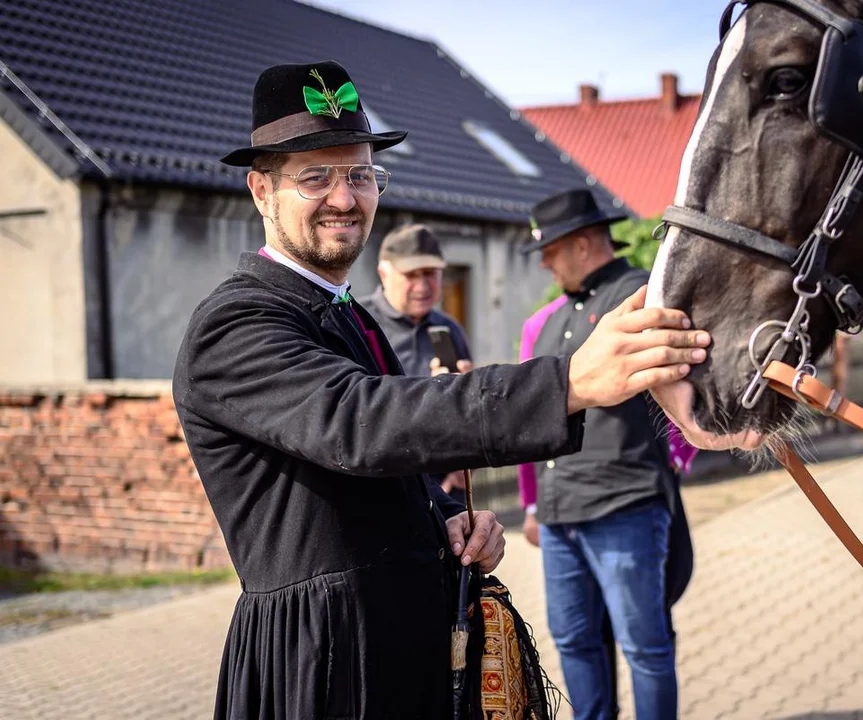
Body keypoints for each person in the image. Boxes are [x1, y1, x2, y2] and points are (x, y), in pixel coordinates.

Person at [172, 61, 710, 720]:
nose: (344, 198)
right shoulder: (237, 321)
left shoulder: (343, 310)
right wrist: (566, 382)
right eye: (314, 177)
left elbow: (376, 467)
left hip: (398, 641)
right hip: (322, 661)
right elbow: (360, 424)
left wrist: (440, 522)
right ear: (261, 190)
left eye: (360, 175)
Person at [517, 188, 689, 720]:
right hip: (560, 511)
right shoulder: (549, 321)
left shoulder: (641, 295)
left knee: (645, 646)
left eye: (551, 250)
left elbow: (681, 382)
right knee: (573, 641)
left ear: (585, 243)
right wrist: (532, 506)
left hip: (625, 503)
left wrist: (679, 459)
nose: (545, 262)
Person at [363, 223, 473, 500]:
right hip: (382, 490)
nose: (423, 286)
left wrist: (466, 393)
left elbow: (465, 414)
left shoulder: (449, 329)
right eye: (411, 275)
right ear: (383, 274)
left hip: (445, 493)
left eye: (431, 274)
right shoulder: (359, 323)